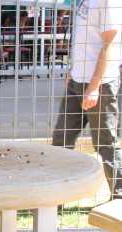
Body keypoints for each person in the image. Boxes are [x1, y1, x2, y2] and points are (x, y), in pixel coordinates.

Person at [52, 0, 122, 200]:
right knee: (61, 140)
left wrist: (94, 87)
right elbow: (84, 40)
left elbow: (110, 44)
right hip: (77, 80)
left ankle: (119, 200)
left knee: (106, 144)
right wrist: (73, 70)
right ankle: (56, 198)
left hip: (99, 85)